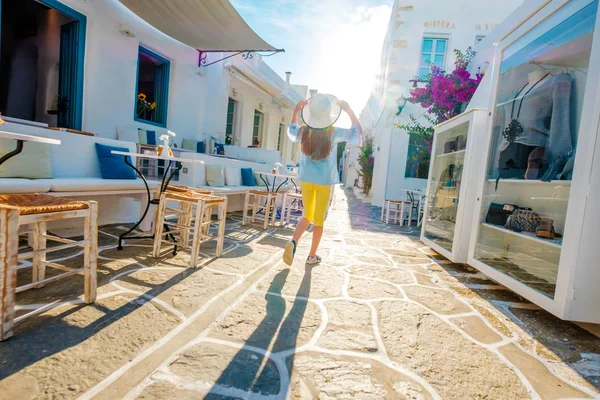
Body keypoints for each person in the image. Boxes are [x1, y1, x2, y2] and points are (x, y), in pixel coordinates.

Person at [283, 94, 362, 265]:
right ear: (329, 113)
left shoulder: (304, 131)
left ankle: (293, 241)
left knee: (307, 215)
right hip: (324, 182)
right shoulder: (333, 132)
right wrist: (348, 110)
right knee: (319, 220)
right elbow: (357, 134)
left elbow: (291, 131)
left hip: (306, 180)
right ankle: (312, 255)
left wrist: (296, 111)